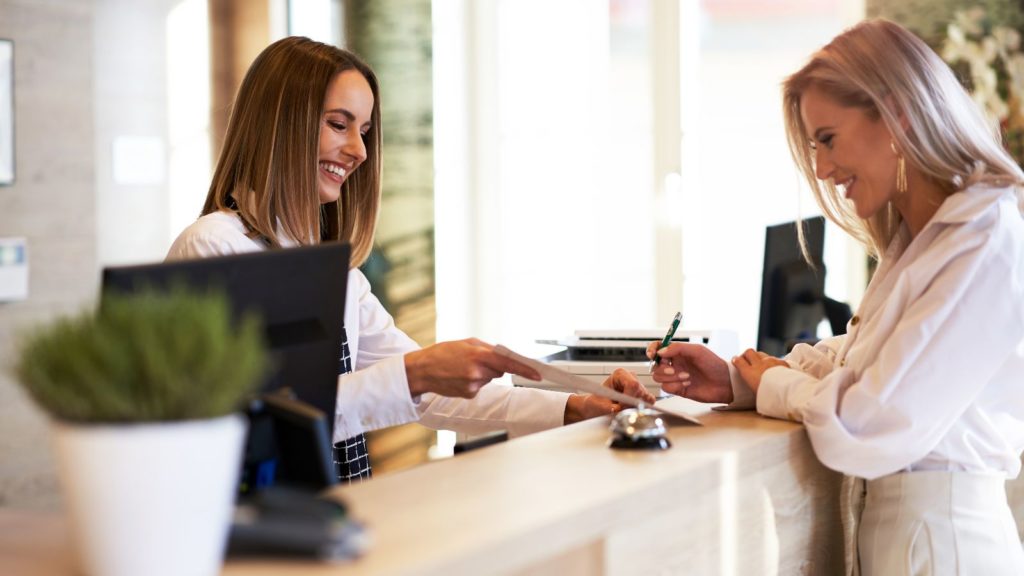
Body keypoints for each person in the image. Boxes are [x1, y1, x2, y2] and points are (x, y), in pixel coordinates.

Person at [166, 36, 654, 483]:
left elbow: (427, 394)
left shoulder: (334, 273)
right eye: (338, 124)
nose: (358, 150)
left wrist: (577, 406)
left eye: (364, 130)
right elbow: (259, 421)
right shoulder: (214, 248)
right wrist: (415, 373)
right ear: (281, 125)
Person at [647, 19, 1024, 575]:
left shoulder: (980, 239)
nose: (822, 169)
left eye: (827, 139)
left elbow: (865, 424)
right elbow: (864, 359)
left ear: (896, 114)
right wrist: (738, 378)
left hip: (944, 551)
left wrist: (774, 383)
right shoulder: (925, 240)